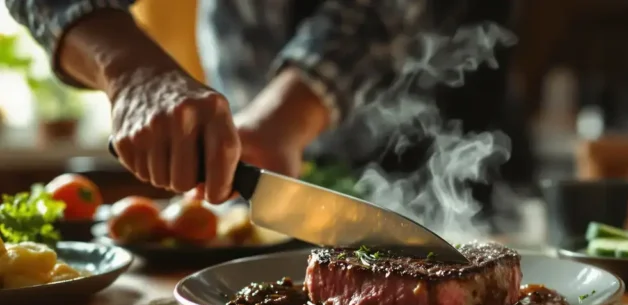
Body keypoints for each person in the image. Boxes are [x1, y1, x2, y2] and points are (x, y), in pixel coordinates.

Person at [6, 0, 427, 203]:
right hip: (239, 188)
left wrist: (281, 121)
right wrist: (136, 75)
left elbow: (376, 12)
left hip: (442, 169)